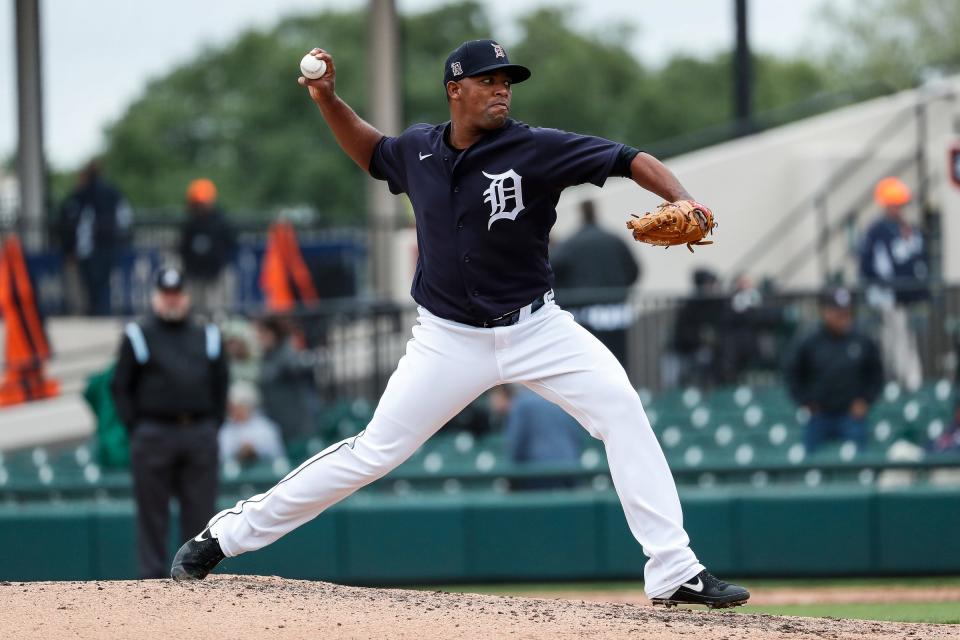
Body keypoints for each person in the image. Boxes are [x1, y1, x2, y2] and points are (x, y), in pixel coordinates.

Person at [172, 39, 749, 609]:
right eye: (490, 80)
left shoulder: (537, 148)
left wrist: (684, 198)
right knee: (373, 452)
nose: (503, 89)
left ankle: (674, 570)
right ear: (456, 90)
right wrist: (327, 100)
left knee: (622, 411)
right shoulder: (419, 150)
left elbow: (628, 158)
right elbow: (372, 152)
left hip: (537, 329)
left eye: (508, 81)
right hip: (447, 339)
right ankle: (223, 537)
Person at [110, 267, 228, 578]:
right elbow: (120, 387)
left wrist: (212, 425)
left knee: (201, 515)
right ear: (156, 297)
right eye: (166, 295)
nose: (172, 301)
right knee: (152, 514)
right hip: (154, 432)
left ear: (187, 297)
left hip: (199, 431)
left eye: (177, 294)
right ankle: (151, 583)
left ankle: (196, 578)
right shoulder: (138, 334)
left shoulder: (208, 335)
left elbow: (221, 385)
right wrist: (137, 428)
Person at [784, 287, 884, 453]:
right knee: (810, 462)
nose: (842, 317)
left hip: (852, 415)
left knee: (861, 462)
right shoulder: (809, 341)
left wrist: (866, 400)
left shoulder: (862, 340)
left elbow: (876, 375)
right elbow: (793, 374)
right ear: (825, 312)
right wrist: (805, 401)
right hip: (820, 415)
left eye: (846, 312)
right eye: (837, 312)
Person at [551, 199, 641, 365]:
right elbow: (634, 271)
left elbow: (551, 270)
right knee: (618, 361)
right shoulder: (614, 240)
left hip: (584, 315)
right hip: (617, 312)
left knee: (590, 361)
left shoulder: (571, 243)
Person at [859, 176, 928, 390]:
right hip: (886, 296)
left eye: (900, 205)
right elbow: (869, 266)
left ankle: (910, 381)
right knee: (891, 338)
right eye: (893, 205)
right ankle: (896, 381)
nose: (897, 209)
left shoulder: (909, 229)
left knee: (908, 337)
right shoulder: (877, 230)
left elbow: (919, 260)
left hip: (908, 295)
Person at [58, 159, 131, 315]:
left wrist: (70, 248)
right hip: (110, 245)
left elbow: (72, 223)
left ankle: (95, 311)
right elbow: (125, 218)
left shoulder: (81, 195)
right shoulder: (112, 192)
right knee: (102, 282)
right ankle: (100, 311)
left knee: (91, 283)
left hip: (89, 248)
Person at [492, 385, 584, 490]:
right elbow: (576, 437)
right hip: (569, 469)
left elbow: (516, 447)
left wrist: (510, 478)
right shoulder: (562, 399)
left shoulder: (522, 403)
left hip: (538, 475)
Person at [254, 316, 319, 445]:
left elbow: (298, 365)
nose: (260, 338)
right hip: (277, 418)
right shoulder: (266, 356)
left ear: (273, 333)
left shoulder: (285, 352)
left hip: (296, 419)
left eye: (263, 334)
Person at [179, 178, 237, 316]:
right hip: (195, 275)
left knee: (219, 311)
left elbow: (231, 244)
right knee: (196, 311)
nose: (201, 207)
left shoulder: (221, 221)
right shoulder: (190, 223)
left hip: (216, 273)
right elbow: (183, 248)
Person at [219, 381, 285, 465]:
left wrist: (255, 450)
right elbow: (221, 456)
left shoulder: (266, 427)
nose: (233, 411)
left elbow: (278, 457)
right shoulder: (226, 429)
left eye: (237, 407)